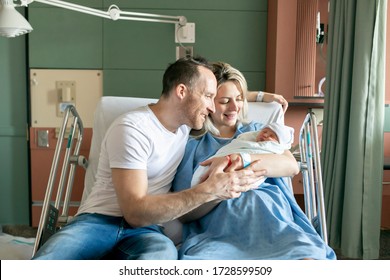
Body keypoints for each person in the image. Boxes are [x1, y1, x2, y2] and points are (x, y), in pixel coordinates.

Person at [32, 56, 264, 260]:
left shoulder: (186, 127)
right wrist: (209, 190)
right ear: (182, 92)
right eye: (208, 97)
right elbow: (134, 212)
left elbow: (229, 103)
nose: (213, 107)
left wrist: (262, 96)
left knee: (161, 258)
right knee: (50, 260)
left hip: (147, 232)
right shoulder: (133, 128)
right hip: (99, 220)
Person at [172, 61, 336, 260]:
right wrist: (217, 191)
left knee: (306, 259)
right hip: (220, 234)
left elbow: (291, 166)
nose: (234, 107)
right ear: (208, 101)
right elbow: (185, 211)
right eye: (224, 101)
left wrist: (243, 158)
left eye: (239, 99)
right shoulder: (194, 145)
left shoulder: (259, 133)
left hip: (274, 223)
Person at [191, 122, 295, 187]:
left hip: (265, 194)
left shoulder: (255, 127)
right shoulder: (195, 142)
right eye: (224, 101)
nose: (265, 134)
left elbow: (292, 166)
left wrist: (240, 159)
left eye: (272, 136)